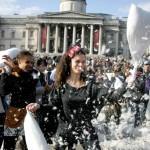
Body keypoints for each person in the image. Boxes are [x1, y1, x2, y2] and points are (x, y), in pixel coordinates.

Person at [49, 45, 108, 150]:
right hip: (65, 130)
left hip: (86, 129)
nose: (81, 64)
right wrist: (38, 106)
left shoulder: (91, 84)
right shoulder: (60, 85)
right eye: (77, 61)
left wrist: (126, 84)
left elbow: (108, 96)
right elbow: (53, 107)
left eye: (84, 61)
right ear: (69, 62)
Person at [0, 50, 39, 150]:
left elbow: (29, 83)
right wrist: (4, 74)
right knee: (9, 143)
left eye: (32, 62)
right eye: (27, 62)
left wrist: (14, 68)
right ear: (19, 62)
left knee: (29, 142)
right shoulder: (14, 74)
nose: (30, 64)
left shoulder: (35, 73)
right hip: (13, 112)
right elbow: (3, 91)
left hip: (29, 112)